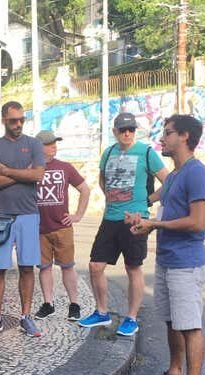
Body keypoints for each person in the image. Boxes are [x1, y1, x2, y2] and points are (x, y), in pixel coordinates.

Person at [126, 114, 205, 375]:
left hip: (186, 263)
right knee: (172, 321)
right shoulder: (175, 175)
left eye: (168, 133)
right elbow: (165, 212)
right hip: (167, 260)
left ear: (185, 136)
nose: (162, 139)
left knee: (190, 326)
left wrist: (155, 225)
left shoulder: (196, 173)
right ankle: (175, 373)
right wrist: (144, 221)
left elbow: (197, 222)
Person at [78, 112, 169, 336]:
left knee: (132, 267)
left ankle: (131, 317)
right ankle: (102, 312)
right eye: (122, 130)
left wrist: (147, 201)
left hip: (135, 220)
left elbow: (168, 181)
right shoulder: (109, 152)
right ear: (115, 131)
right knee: (95, 265)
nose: (127, 133)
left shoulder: (146, 153)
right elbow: (103, 179)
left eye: (131, 130)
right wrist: (113, 197)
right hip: (110, 217)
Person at [0, 101, 46, 339]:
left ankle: (26, 317)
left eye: (21, 120)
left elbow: (38, 174)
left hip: (28, 214)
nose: (18, 124)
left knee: (27, 267)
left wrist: (7, 171)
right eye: (13, 120)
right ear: (4, 121)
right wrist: (23, 174)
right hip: (1, 215)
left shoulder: (34, 144)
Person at [32, 130, 90, 321]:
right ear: (39, 147)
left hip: (62, 228)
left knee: (67, 267)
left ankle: (74, 304)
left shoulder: (65, 167)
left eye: (55, 143)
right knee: (44, 268)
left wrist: (78, 215)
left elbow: (85, 189)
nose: (54, 147)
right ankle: (48, 304)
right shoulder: (31, 169)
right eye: (49, 144)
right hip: (39, 229)